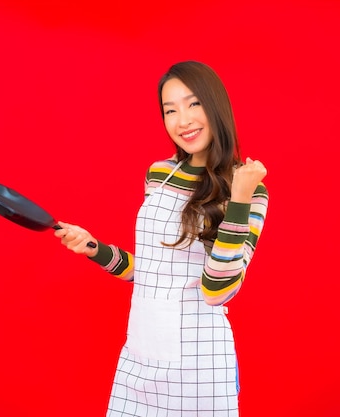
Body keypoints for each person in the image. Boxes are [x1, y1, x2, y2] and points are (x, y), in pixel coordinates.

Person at [54, 60, 269, 416]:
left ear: (216, 105)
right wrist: (94, 248)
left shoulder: (248, 189)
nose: (182, 120)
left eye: (193, 103)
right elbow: (153, 271)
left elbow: (218, 291)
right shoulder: (160, 173)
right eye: (171, 110)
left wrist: (241, 199)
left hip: (199, 361)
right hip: (141, 349)